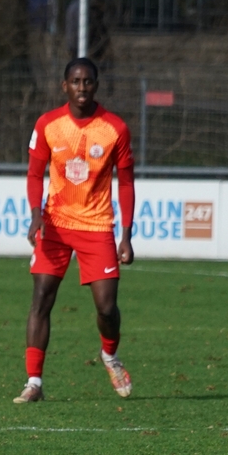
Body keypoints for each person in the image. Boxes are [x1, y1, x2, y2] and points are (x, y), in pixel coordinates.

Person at [14, 57, 135, 404]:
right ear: (64, 86)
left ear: (96, 85)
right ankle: (34, 382)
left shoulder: (115, 128)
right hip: (55, 224)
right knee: (41, 298)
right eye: (76, 81)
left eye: (88, 81)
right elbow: (34, 174)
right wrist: (36, 215)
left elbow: (126, 183)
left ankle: (110, 355)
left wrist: (126, 236)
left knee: (106, 308)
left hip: (97, 225)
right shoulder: (48, 124)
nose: (82, 87)